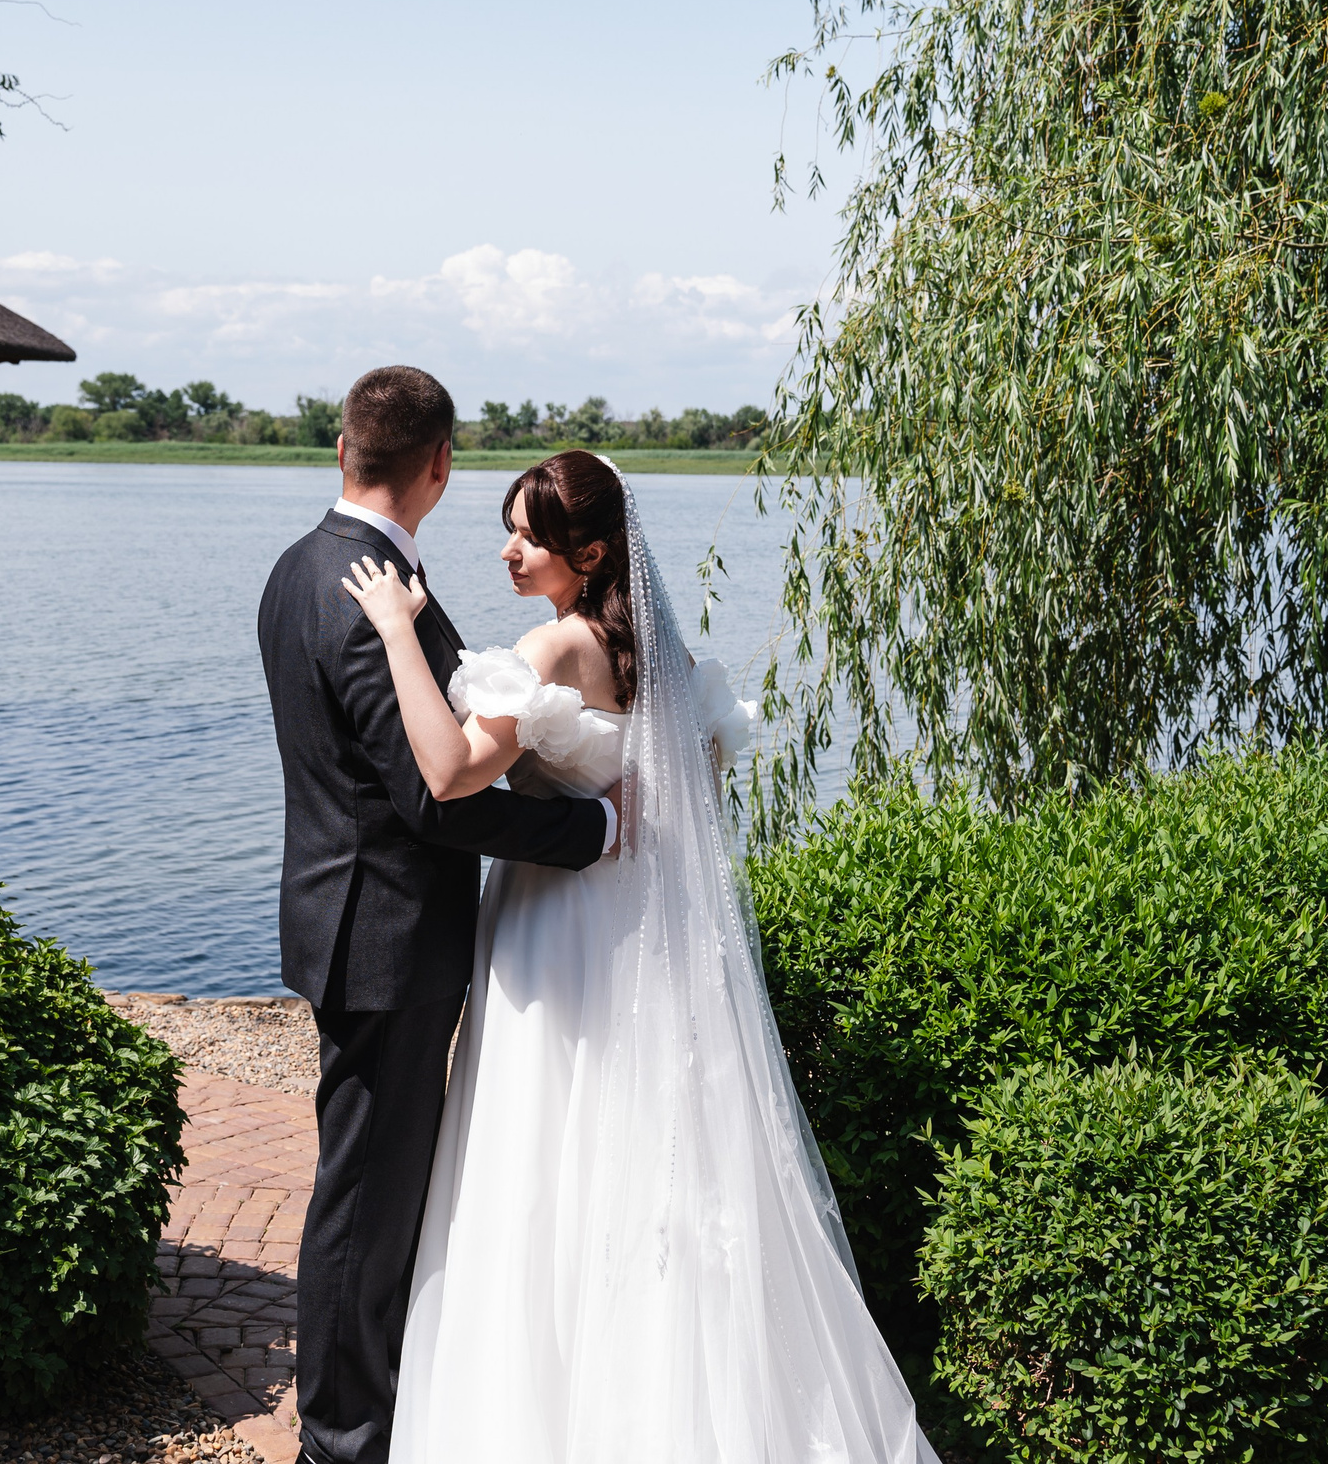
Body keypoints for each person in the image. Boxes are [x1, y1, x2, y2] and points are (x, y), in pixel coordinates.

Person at [340, 448, 942, 1463]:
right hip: (639, 938)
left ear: (591, 550)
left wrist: (399, 631)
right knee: (643, 1152)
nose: (507, 549)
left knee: (538, 1162)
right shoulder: (651, 653)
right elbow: (689, 788)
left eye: (529, 535)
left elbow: (445, 772)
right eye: (509, 527)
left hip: (549, 933)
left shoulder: (548, 648)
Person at [257, 367, 617, 1464]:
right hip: (384, 938)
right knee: (364, 1200)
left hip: (352, 917)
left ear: (341, 450)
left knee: (370, 1185)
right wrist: (589, 833)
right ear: (441, 466)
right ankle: (344, 1435)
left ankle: (368, 1404)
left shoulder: (299, 566)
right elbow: (431, 794)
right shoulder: (364, 586)